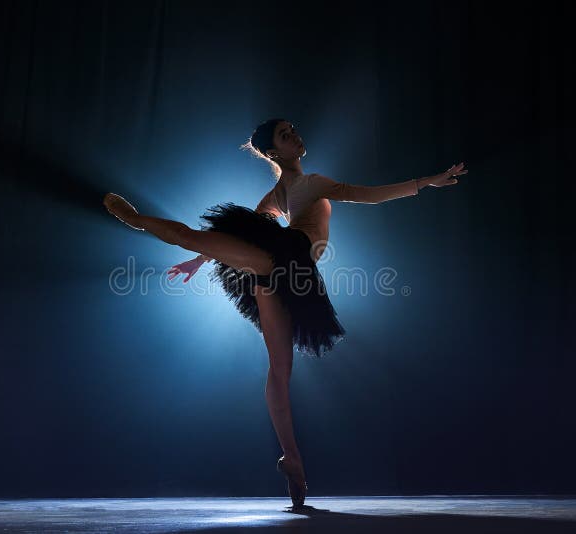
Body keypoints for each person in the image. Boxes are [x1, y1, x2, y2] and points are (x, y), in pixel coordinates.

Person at [103, 118, 467, 509]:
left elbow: (365, 195)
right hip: (286, 261)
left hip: (288, 270)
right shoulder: (299, 187)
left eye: (293, 129)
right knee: (275, 365)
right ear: (274, 152)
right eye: (285, 134)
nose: (295, 135)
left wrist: (198, 260)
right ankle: (137, 220)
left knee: (280, 370)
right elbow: (368, 195)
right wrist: (425, 182)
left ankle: (292, 459)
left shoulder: (292, 189)